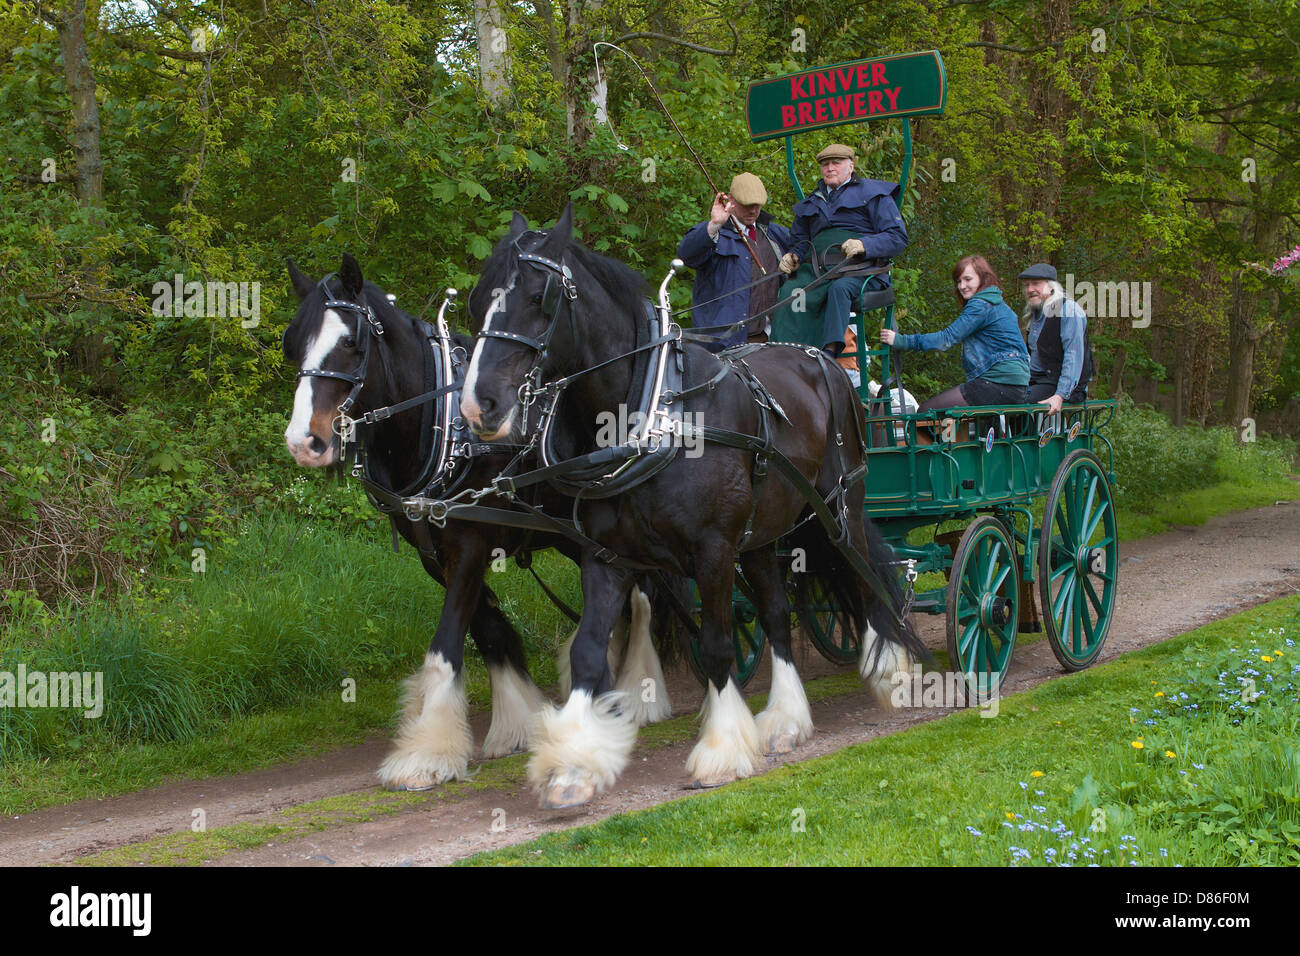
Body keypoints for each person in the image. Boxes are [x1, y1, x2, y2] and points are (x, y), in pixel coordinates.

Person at [774, 143, 907, 357]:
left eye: (836, 163)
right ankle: (786, 353)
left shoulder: (873, 194)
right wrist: (793, 256)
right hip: (818, 272)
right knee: (791, 291)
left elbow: (897, 237)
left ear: (851, 166)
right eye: (825, 164)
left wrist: (865, 245)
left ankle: (828, 354)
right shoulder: (811, 202)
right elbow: (800, 240)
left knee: (839, 289)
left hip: (861, 271)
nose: (830, 168)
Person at [880, 255, 1029, 411]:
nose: (962, 286)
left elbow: (946, 338)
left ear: (983, 278)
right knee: (980, 432)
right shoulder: (998, 303)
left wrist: (902, 341)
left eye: (968, 279)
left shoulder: (981, 304)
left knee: (926, 413)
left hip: (997, 383)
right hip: (1017, 386)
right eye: (959, 281)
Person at [676, 172, 791, 350]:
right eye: (746, 205)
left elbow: (804, 252)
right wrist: (714, 224)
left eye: (757, 205)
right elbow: (686, 255)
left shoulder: (775, 234)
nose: (753, 211)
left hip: (772, 340)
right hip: (725, 345)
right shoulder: (715, 233)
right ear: (731, 200)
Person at [1019, 263, 1095, 414]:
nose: (1029, 289)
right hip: (1038, 381)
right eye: (1026, 285)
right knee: (999, 395)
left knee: (1018, 402)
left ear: (1051, 286)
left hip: (1062, 386)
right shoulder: (1036, 314)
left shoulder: (1069, 310)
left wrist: (1060, 395)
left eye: (1036, 284)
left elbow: (1073, 356)